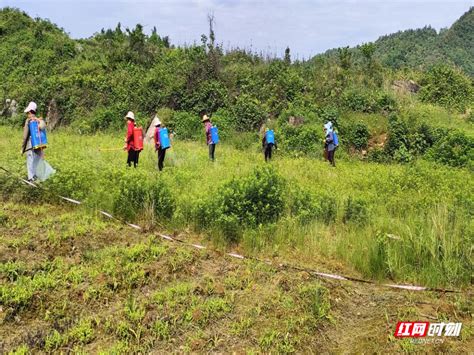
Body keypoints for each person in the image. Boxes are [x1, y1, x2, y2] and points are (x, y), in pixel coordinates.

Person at [21, 101, 45, 182]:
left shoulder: (28, 121)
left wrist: (22, 149)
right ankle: (37, 179)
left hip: (31, 145)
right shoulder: (40, 120)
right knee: (37, 162)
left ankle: (31, 180)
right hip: (39, 145)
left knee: (30, 162)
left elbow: (25, 137)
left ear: (30, 111)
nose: (27, 114)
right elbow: (42, 130)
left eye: (27, 112)